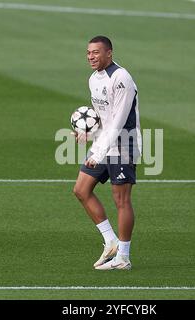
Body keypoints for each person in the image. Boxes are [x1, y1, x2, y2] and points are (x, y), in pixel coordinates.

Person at [72, 36, 141, 270]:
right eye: (88, 52)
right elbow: (104, 118)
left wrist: (97, 153)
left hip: (124, 144)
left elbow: (119, 121)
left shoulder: (121, 78)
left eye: (96, 52)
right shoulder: (94, 79)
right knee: (81, 190)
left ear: (109, 53)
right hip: (104, 143)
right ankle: (110, 241)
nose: (91, 56)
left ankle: (123, 256)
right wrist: (88, 134)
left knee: (121, 200)